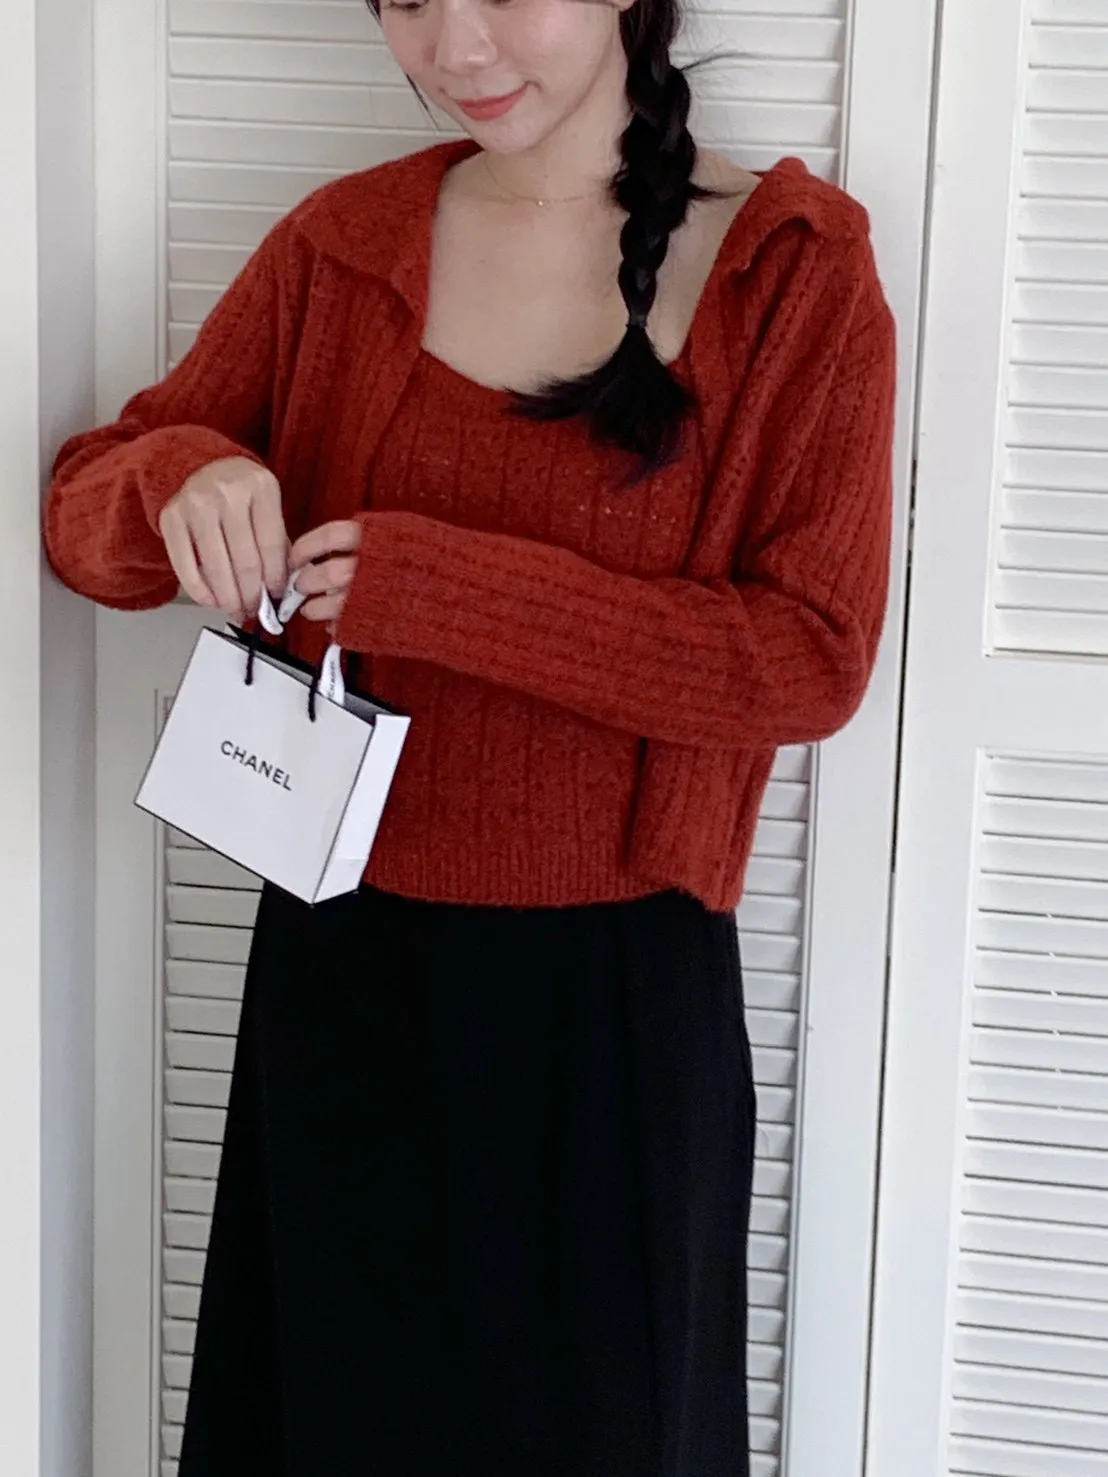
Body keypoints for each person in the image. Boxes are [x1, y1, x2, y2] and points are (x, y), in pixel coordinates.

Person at [42, 0, 897, 1469]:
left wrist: (447, 590)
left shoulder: (791, 271)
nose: (457, 49)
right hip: (341, 977)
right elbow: (86, 521)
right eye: (408, 0)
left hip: (613, 1017)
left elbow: (807, 659)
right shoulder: (344, 247)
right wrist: (182, 476)